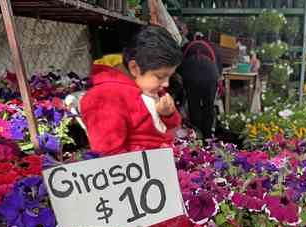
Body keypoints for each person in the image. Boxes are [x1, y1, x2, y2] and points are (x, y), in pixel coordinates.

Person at [80, 26, 183, 156]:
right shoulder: (106, 97)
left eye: (170, 76)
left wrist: (168, 114)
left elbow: (174, 126)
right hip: (138, 172)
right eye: (160, 76)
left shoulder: (149, 86)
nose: (166, 83)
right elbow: (109, 155)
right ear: (134, 68)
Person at [179, 33, 223, 140]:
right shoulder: (213, 47)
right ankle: (207, 137)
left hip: (191, 73)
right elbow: (219, 69)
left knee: (194, 106)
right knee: (209, 106)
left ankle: (197, 138)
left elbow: (179, 65)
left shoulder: (187, 46)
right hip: (210, 73)